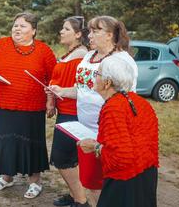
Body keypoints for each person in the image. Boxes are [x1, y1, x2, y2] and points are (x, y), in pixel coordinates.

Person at [49, 15, 138, 206]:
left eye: (95, 31)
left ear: (109, 35)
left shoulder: (123, 60)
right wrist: (60, 91)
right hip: (84, 128)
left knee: (108, 182)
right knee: (90, 181)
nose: (90, 35)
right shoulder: (89, 56)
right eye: (89, 30)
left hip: (108, 130)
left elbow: (128, 98)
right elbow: (81, 89)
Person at [0, 12, 56, 199]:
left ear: (33, 31)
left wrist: (51, 100)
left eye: (23, 26)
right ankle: (6, 177)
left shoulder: (44, 50)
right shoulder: (1, 44)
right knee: (6, 141)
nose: (17, 28)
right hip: (5, 103)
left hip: (32, 106)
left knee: (31, 142)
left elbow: (53, 78)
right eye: (15, 25)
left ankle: (35, 181)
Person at [78, 56, 159, 207]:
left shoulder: (113, 108)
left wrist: (95, 147)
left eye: (97, 74)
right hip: (146, 174)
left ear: (107, 82)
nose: (94, 77)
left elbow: (120, 157)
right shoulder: (140, 102)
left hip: (125, 180)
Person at [49, 16, 88, 206]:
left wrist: (58, 93)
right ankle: (74, 195)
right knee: (67, 158)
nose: (61, 32)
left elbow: (81, 89)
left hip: (74, 113)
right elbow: (57, 80)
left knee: (62, 157)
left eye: (66, 29)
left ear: (79, 34)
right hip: (64, 110)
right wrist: (51, 101)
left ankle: (81, 200)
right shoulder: (68, 54)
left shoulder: (82, 56)